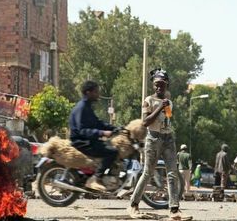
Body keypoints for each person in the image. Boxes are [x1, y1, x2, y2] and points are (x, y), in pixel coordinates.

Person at [127, 68, 192, 220]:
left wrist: (166, 107)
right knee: (148, 173)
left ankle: (174, 210)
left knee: (172, 173)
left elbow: (168, 119)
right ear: (153, 85)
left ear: (166, 85)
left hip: (168, 139)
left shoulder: (169, 102)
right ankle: (133, 205)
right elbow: (145, 122)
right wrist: (159, 107)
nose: (159, 87)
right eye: (156, 84)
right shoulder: (148, 101)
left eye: (162, 84)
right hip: (153, 139)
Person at [69, 80, 118, 192]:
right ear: (88, 92)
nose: (98, 94)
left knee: (111, 147)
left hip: (89, 140)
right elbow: (82, 131)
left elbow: (98, 123)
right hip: (82, 142)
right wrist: (102, 133)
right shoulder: (81, 108)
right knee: (112, 152)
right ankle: (95, 178)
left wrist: (114, 128)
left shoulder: (87, 107)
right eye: (96, 92)